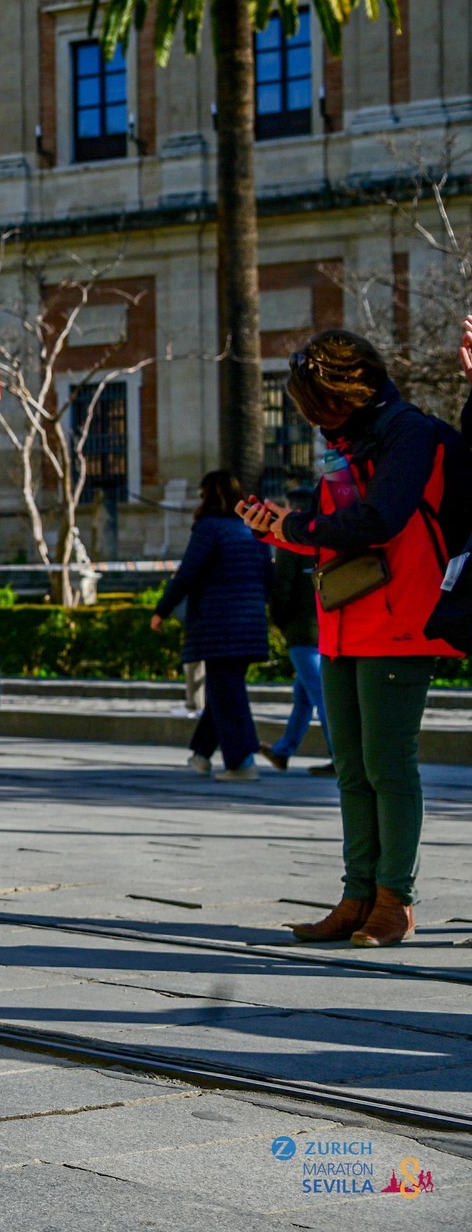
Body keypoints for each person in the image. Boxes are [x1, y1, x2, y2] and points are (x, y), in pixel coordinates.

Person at [246, 330, 470, 950]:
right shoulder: (343, 442)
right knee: (350, 768)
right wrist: (280, 530)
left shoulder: (410, 433)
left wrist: (296, 526)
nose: (320, 419)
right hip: (343, 619)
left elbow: (378, 520)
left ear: (354, 388)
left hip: (403, 620)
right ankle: (357, 895)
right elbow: (330, 530)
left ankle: (395, 902)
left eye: (325, 405)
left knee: (387, 765)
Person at [151, 471, 270, 780]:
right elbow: (268, 577)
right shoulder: (251, 530)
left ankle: (242, 762)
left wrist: (161, 610)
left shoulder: (209, 529)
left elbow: (187, 573)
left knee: (227, 694)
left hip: (219, 628)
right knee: (224, 690)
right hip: (250, 624)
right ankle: (201, 755)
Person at [264, 524, 335, 777]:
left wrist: (282, 622)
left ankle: (340, 756)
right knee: (304, 696)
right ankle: (283, 750)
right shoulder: (329, 535)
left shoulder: (291, 543)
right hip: (325, 628)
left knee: (321, 696)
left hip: (303, 631)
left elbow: (281, 588)